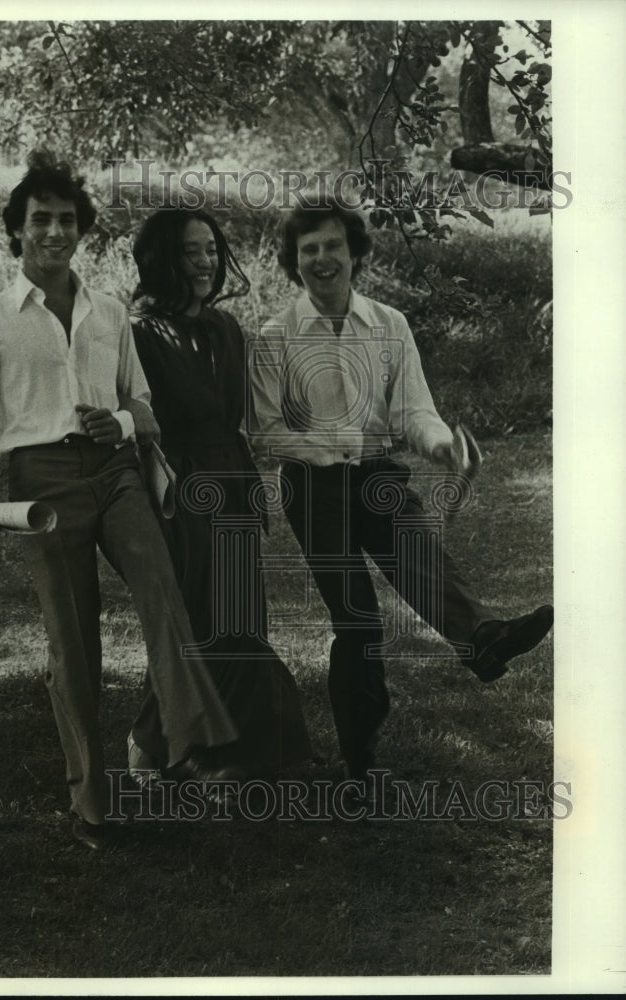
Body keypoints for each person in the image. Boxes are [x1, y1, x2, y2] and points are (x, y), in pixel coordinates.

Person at [0, 153, 242, 852]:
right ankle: (90, 802)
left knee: (161, 588)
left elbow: (142, 404)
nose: (54, 231)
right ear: (17, 230)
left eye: (66, 220)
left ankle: (188, 743)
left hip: (116, 471)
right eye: (40, 219)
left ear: (81, 229)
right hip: (40, 484)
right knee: (73, 640)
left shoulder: (109, 313)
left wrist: (121, 422)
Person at [247, 197, 553, 789]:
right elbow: (265, 431)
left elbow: (414, 411)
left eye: (333, 245)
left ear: (354, 253)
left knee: (420, 554)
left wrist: (442, 447)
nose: (322, 258)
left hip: (378, 476)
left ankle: (484, 636)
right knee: (358, 622)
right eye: (308, 249)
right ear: (294, 260)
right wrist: (328, 449)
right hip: (313, 487)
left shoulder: (389, 324)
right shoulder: (274, 337)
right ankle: (361, 761)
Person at [123, 208, 312, 782]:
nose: (206, 262)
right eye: (191, 251)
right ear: (163, 259)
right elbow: (136, 418)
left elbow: (243, 414)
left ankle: (232, 747)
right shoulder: (137, 334)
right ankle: (154, 741)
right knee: (195, 614)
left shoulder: (227, 328)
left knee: (239, 613)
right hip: (178, 485)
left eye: (212, 249)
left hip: (232, 479)